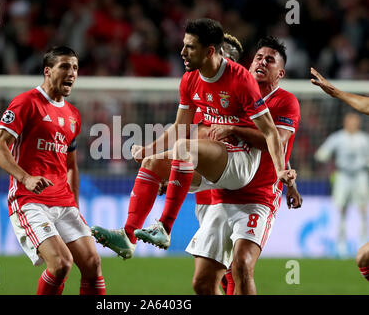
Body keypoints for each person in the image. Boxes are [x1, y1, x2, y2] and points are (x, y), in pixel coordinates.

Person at [91, 18, 296, 263]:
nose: (182, 52)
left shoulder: (241, 80)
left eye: (190, 47)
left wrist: (283, 171)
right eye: (184, 45)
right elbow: (180, 127)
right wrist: (148, 150)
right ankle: (127, 237)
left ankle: (164, 227)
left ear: (210, 51)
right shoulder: (189, 80)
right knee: (152, 164)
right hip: (211, 167)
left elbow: (272, 133)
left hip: (241, 161)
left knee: (184, 149)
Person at [0, 46, 106, 295]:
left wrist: (74, 205)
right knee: (62, 264)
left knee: (93, 263)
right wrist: (25, 178)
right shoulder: (26, 103)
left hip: (64, 203)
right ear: (47, 71)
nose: (71, 73)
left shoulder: (73, 115)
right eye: (64, 66)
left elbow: (71, 165)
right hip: (30, 200)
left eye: (74, 67)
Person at [314, 112, 369, 257]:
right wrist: (327, 160)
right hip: (343, 175)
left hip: (360, 175)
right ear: (345, 122)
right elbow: (321, 154)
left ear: (359, 123)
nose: (352, 124)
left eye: (354, 121)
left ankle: (363, 242)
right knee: (342, 208)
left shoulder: (364, 139)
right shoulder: (337, 137)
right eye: (349, 121)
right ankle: (341, 243)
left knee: (363, 208)